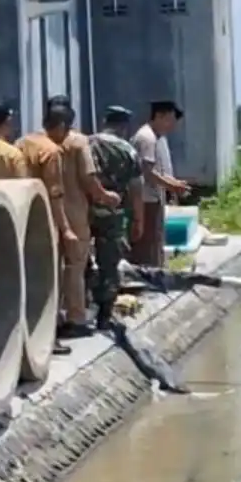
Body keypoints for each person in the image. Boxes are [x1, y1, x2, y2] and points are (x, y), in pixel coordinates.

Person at [45, 96, 121, 336]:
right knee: (75, 266)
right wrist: (106, 196)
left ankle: (52, 317)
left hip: (45, 211)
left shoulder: (36, 142)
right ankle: (76, 317)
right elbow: (89, 179)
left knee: (51, 266)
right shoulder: (78, 143)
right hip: (74, 211)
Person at [18, 107, 82, 353]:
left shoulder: (22, 143)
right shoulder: (52, 151)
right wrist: (66, 229)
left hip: (21, 220)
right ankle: (49, 338)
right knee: (49, 282)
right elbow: (55, 195)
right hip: (43, 223)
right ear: (62, 127)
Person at [90, 106, 143, 328]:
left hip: (83, 210)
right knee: (109, 263)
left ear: (104, 121)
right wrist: (138, 219)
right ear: (124, 126)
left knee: (80, 259)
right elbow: (136, 188)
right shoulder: (127, 150)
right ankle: (104, 315)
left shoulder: (86, 143)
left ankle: (83, 305)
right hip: (112, 213)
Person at [130, 101, 189, 266]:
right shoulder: (146, 138)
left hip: (154, 197)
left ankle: (155, 273)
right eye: (169, 121)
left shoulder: (155, 137)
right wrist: (172, 186)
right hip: (146, 199)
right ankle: (149, 277)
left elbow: (158, 171)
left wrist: (175, 183)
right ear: (158, 116)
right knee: (149, 242)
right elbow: (147, 172)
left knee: (156, 240)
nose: (171, 126)